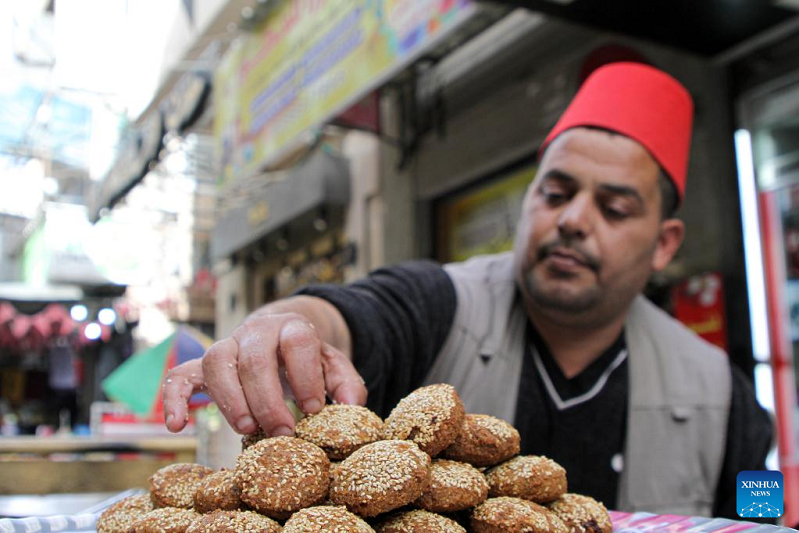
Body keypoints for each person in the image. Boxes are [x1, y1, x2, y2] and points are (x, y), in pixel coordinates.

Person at [163, 62, 771, 518]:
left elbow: (762, 518)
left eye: (613, 207)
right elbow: (353, 312)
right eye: (556, 193)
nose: (573, 219)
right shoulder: (441, 304)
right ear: (529, 199)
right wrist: (285, 324)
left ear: (665, 243)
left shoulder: (725, 394)